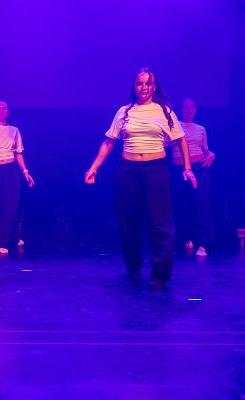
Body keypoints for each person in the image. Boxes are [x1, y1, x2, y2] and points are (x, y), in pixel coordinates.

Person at [84, 68, 197, 289]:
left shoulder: (164, 111)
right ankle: (133, 264)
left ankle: (160, 274)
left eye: (148, 83)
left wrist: (187, 168)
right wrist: (94, 168)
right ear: (134, 86)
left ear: (154, 87)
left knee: (159, 223)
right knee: (129, 221)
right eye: (139, 83)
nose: (143, 87)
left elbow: (180, 140)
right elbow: (109, 142)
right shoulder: (124, 112)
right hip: (128, 170)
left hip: (155, 169)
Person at [0, 101, 35, 254]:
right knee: (0, 205)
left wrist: (25, 171)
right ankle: (15, 236)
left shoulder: (14, 130)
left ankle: (1, 242)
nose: (2, 110)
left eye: (4, 108)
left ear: (8, 112)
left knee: (10, 205)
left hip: (11, 170)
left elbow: (19, 154)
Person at [171, 98, 215, 257]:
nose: (189, 110)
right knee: (181, 205)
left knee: (201, 205)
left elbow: (206, 151)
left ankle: (203, 244)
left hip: (198, 168)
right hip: (178, 169)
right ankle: (185, 239)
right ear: (181, 109)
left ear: (195, 110)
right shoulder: (174, 127)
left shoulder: (200, 129)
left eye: (192, 107)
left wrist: (212, 154)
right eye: (185, 107)